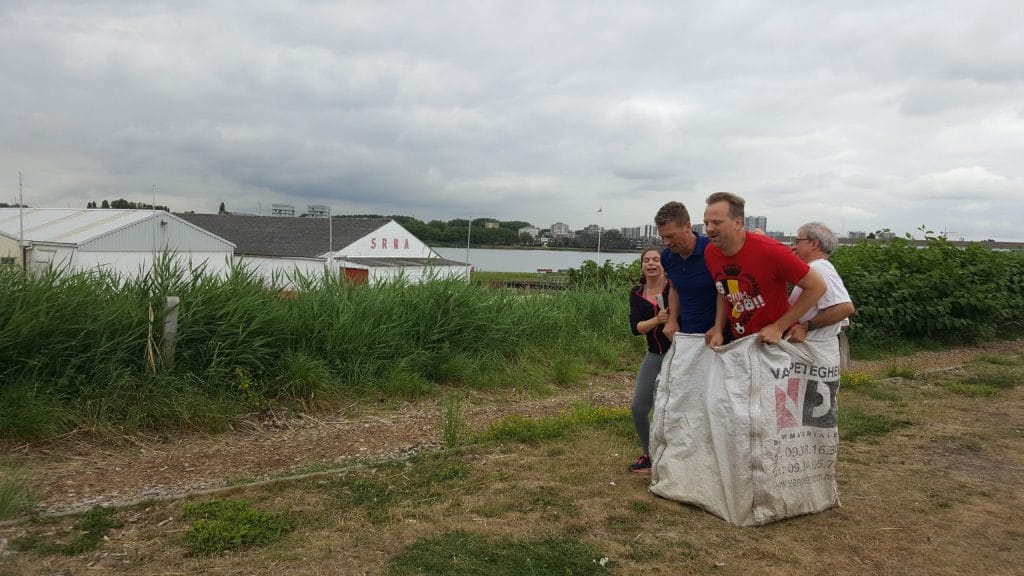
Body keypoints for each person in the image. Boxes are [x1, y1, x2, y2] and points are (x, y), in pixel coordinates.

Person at [702, 192, 826, 347]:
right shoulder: (711, 252)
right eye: (706, 223)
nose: (709, 229)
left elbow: (817, 286)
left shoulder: (771, 251)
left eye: (716, 222)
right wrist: (718, 328)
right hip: (740, 340)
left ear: (738, 223)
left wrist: (779, 327)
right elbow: (723, 290)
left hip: (774, 341)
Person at [785, 222, 856, 370]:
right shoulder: (814, 268)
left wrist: (805, 327)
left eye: (798, 241)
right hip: (810, 350)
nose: (794, 246)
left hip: (813, 350)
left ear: (814, 244)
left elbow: (845, 308)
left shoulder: (819, 268)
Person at [627, 246, 672, 473]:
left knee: (672, 409)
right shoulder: (637, 293)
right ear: (642, 265)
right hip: (654, 354)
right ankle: (649, 454)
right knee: (638, 407)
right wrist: (657, 320)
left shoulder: (674, 287)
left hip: (678, 355)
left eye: (656, 259)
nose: (651, 264)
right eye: (647, 260)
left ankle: (675, 456)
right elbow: (636, 328)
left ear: (664, 264)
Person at [653, 202, 718, 342]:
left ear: (688, 227)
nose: (666, 242)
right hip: (686, 332)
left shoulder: (713, 251)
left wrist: (719, 328)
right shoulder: (667, 257)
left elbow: (726, 293)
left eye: (671, 236)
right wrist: (672, 320)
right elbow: (674, 288)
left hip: (717, 334)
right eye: (662, 237)